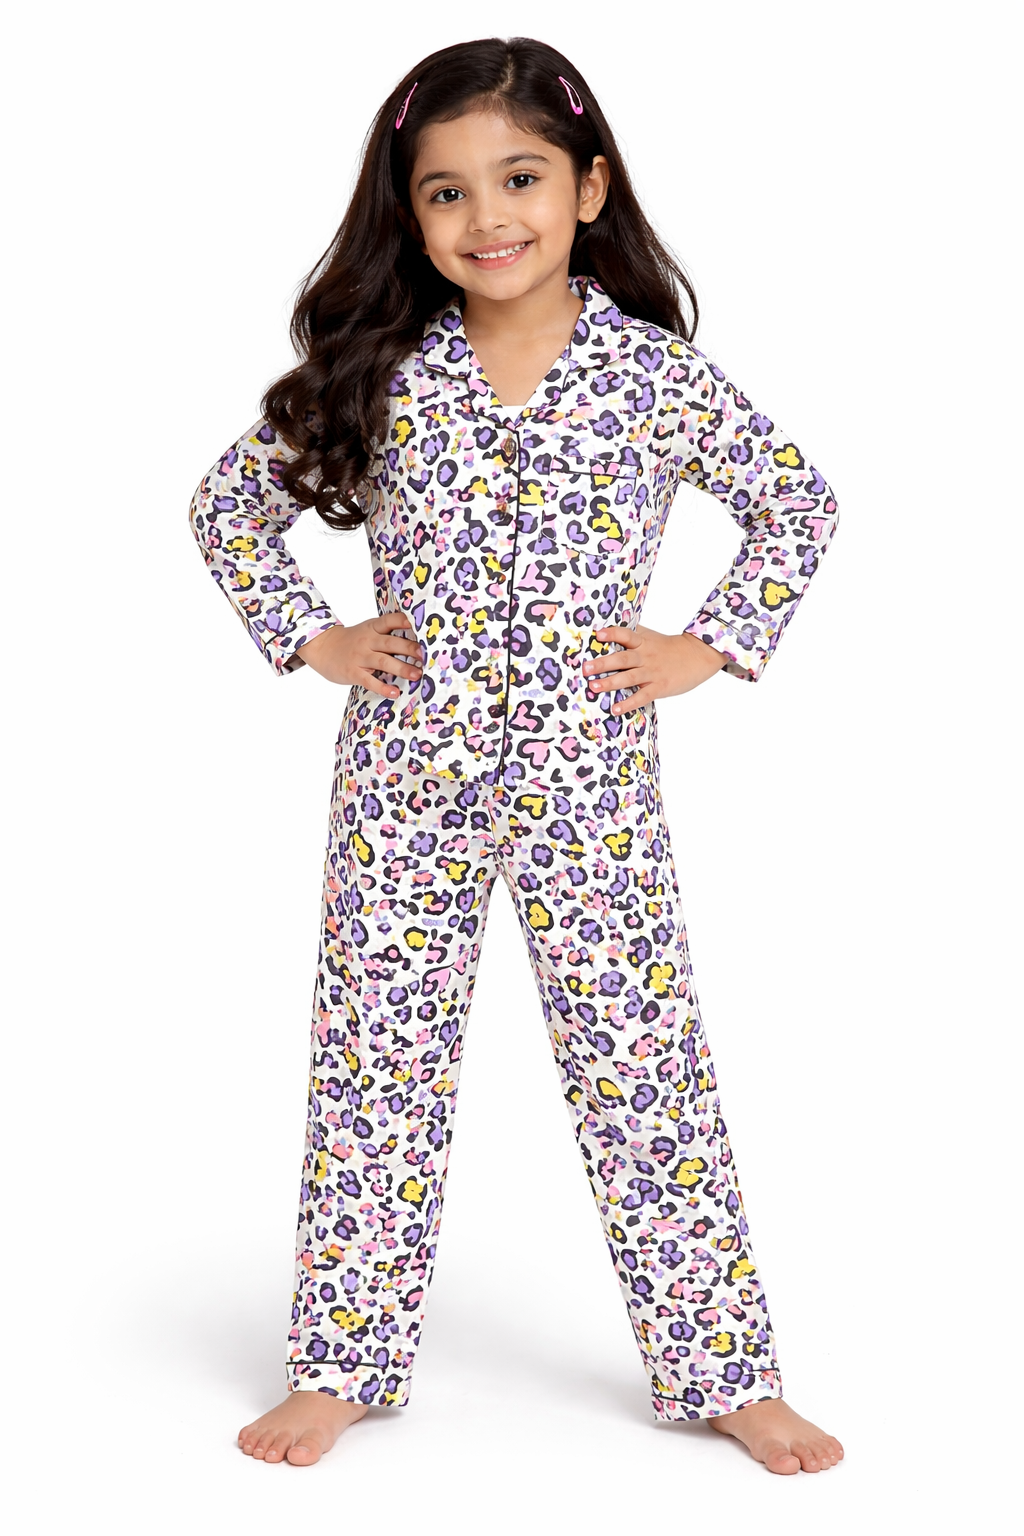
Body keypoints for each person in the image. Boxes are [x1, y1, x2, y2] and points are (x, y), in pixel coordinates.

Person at [190, 36, 843, 1476]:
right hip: (403, 783)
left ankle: (724, 1371)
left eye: (522, 178)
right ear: (410, 215)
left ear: (589, 188)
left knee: (643, 1067)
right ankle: (342, 1362)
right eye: (446, 192)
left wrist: (710, 644)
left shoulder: (655, 378)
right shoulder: (381, 372)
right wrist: (314, 636)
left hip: (589, 787)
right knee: (377, 1064)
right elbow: (228, 509)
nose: (488, 216)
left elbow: (799, 506)